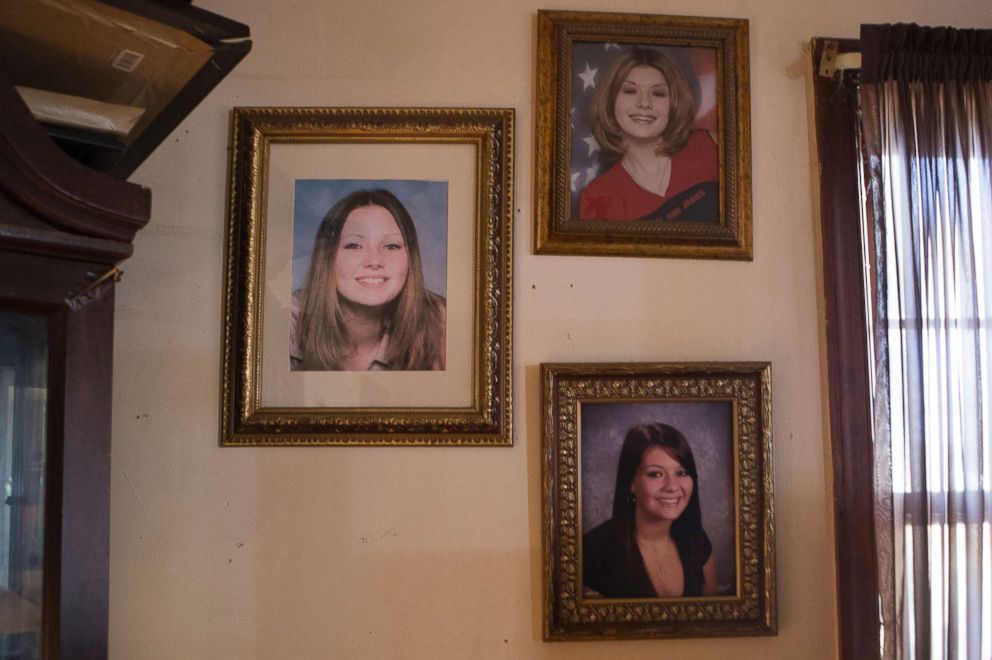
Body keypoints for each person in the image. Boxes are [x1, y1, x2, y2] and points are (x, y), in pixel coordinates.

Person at [289, 188, 446, 371]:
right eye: (354, 245)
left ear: (410, 259)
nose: (374, 261)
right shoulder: (288, 320)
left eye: (391, 246)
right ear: (328, 259)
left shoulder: (439, 320)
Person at [579, 48, 719, 222]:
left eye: (658, 93)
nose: (644, 103)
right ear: (610, 101)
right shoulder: (599, 195)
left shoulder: (708, 147)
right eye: (630, 91)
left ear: (674, 103)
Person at [583, 423, 717, 598]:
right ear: (631, 483)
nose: (672, 487)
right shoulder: (592, 552)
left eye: (682, 473)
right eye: (655, 474)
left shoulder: (696, 539)